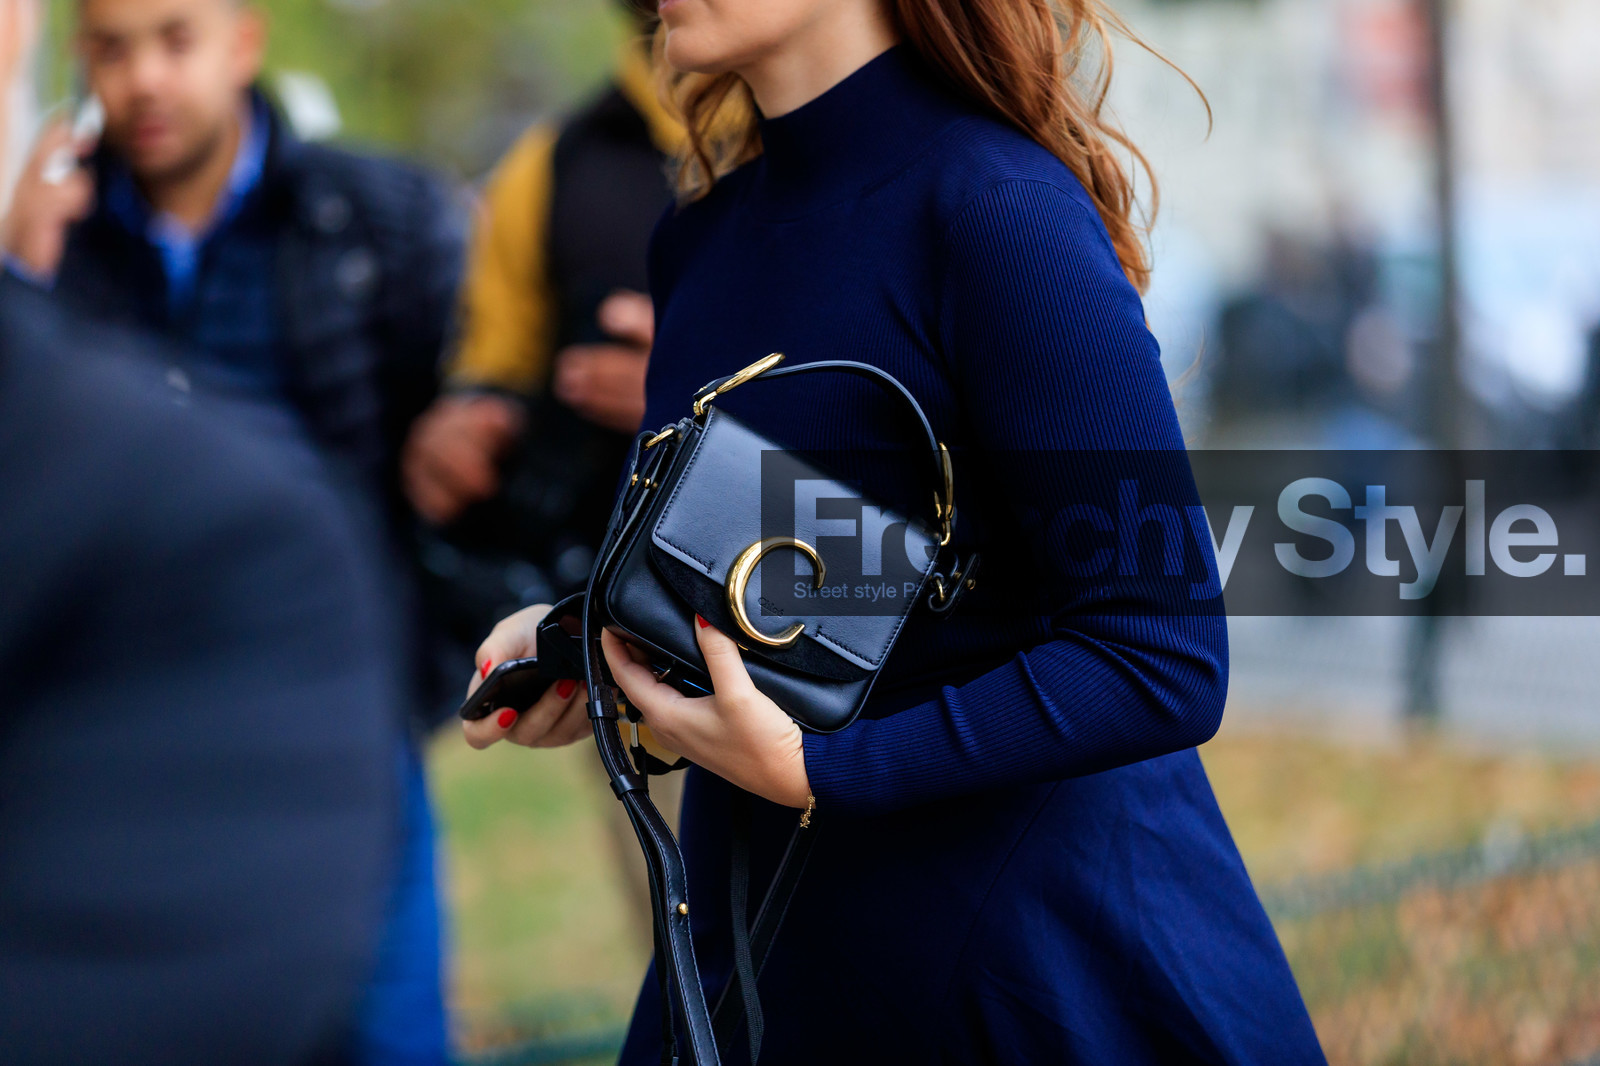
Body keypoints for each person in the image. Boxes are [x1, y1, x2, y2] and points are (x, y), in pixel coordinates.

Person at [462, 1, 1328, 1064]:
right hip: (769, 959)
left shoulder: (995, 207)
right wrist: (588, 636)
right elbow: (842, 584)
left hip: (1028, 973)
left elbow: (1158, 650)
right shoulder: (700, 240)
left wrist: (829, 768)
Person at [2, 1, 465, 1062]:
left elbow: (461, 422)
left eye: (175, 40)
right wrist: (19, 269)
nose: (143, 81)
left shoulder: (377, 215)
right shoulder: (56, 231)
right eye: (111, 49)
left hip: (343, 697)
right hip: (100, 727)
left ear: (244, 41)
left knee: (385, 1030)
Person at [401, 10, 687, 935]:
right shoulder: (551, 165)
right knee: (686, 960)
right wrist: (458, 430)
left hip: (854, 649)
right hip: (633, 652)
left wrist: (696, 397)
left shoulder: (886, 157)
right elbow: (492, 368)